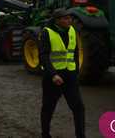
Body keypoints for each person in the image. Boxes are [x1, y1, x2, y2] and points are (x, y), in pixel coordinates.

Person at [39, 8, 85, 138]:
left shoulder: (72, 30)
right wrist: (53, 74)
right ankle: (45, 135)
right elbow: (43, 56)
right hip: (53, 78)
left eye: (69, 18)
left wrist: (76, 71)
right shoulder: (46, 33)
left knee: (78, 107)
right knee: (48, 108)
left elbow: (74, 52)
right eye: (65, 18)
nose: (69, 20)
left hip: (70, 77)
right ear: (57, 21)